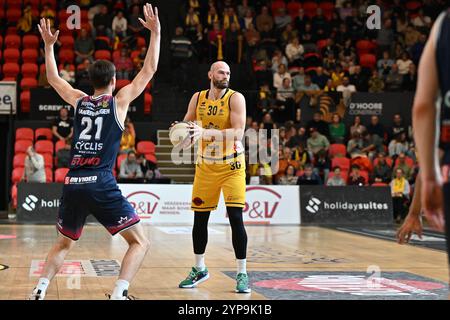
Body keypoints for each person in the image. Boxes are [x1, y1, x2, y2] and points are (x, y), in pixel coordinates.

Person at [29, 5, 160, 300]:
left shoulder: (78, 100)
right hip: (100, 181)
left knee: (63, 244)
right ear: (113, 82)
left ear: (91, 82)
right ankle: (119, 293)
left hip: (73, 181)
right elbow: (148, 70)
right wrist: (156, 32)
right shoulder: (119, 100)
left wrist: (49, 46)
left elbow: (53, 79)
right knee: (139, 242)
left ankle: (40, 289)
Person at [177, 61, 250, 293]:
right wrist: (182, 133)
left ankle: (242, 273)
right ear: (210, 74)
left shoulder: (235, 98)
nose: (225, 75)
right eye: (221, 71)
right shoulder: (198, 97)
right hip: (206, 166)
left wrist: (204, 132)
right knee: (200, 220)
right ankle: (199, 269)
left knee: (236, 218)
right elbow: (189, 123)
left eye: (228, 72)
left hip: (232, 166)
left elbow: (238, 132)